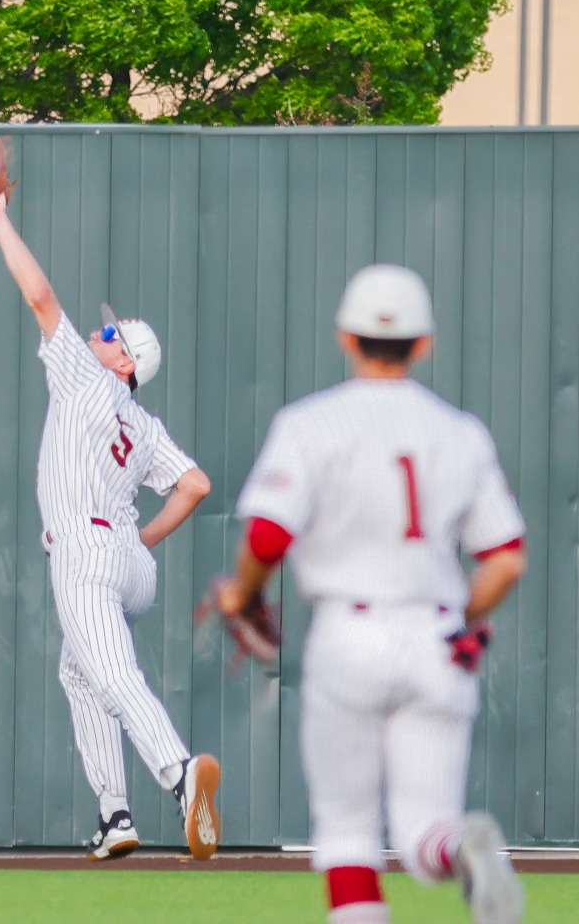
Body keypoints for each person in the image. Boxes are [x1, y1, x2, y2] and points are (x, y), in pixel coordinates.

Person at [209, 264, 528, 922]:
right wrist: (461, 619)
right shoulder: (458, 432)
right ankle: (461, 848)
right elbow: (506, 561)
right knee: (421, 834)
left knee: (348, 836)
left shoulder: (311, 423)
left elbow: (268, 536)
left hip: (349, 635)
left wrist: (240, 597)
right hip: (437, 636)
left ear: (346, 338)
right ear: (424, 343)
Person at [0, 180, 222, 861]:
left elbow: (40, 297)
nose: (97, 330)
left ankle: (178, 774)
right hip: (131, 564)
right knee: (80, 673)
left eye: (110, 333)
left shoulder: (86, 377)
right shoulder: (143, 421)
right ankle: (116, 816)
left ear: (123, 359)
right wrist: (143, 540)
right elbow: (195, 485)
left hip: (84, 548)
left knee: (111, 674)